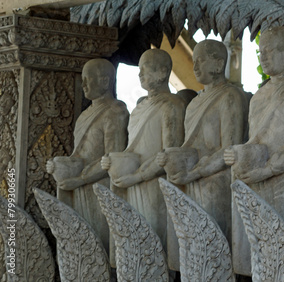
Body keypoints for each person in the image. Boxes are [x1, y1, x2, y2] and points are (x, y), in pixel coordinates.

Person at [224, 26, 284, 276]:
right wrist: (239, 154)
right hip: (258, 181)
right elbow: (255, 141)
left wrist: (268, 169)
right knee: (263, 259)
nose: (262, 56)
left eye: (269, 51)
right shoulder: (258, 97)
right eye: (260, 52)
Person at [157, 39, 248, 247]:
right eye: (194, 61)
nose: (195, 66)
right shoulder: (195, 103)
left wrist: (197, 171)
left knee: (213, 243)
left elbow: (228, 149)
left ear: (218, 64)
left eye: (201, 60)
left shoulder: (229, 96)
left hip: (215, 180)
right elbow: (189, 145)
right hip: (192, 178)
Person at [101, 49, 186, 254]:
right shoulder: (139, 108)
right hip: (132, 180)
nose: (140, 74)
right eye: (139, 69)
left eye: (145, 69)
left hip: (153, 183)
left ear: (163, 72)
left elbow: (168, 154)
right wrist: (112, 162)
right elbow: (131, 147)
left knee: (153, 244)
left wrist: (138, 176)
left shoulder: (172, 105)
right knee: (133, 245)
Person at [46, 58, 129, 253]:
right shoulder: (85, 115)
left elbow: (111, 159)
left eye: (87, 79)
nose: (83, 84)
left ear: (104, 81)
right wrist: (59, 165)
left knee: (98, 246)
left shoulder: (115, 111)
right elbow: (79, 154)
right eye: (82, 79)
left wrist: (80, 179)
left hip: (99, 185)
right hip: (79, 185)